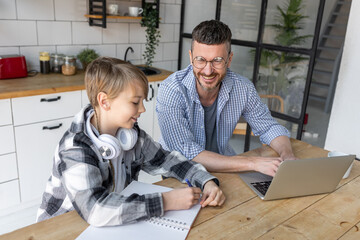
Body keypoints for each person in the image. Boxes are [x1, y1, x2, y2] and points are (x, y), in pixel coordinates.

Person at [36, 57, 225, 227]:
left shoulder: (131, 135)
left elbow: (167, 161)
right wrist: (166, 201)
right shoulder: (75, 148)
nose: (142, 109)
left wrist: (205, 181)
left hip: (107, 222)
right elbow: (95, 209)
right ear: (105, 101)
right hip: (61, 229)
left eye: (143, 101)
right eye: (135, 102)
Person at [156, 20, 296, 177]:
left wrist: (287, 155)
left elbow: (269, 127)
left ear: (229, 60)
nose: (208, 71)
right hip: (180, 173)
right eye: (201, 60)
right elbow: (184, 152)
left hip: (223, 170)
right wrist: (253, 163)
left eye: (217, 60)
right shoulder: (172, 89)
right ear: (191, 58)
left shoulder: (243, 88)